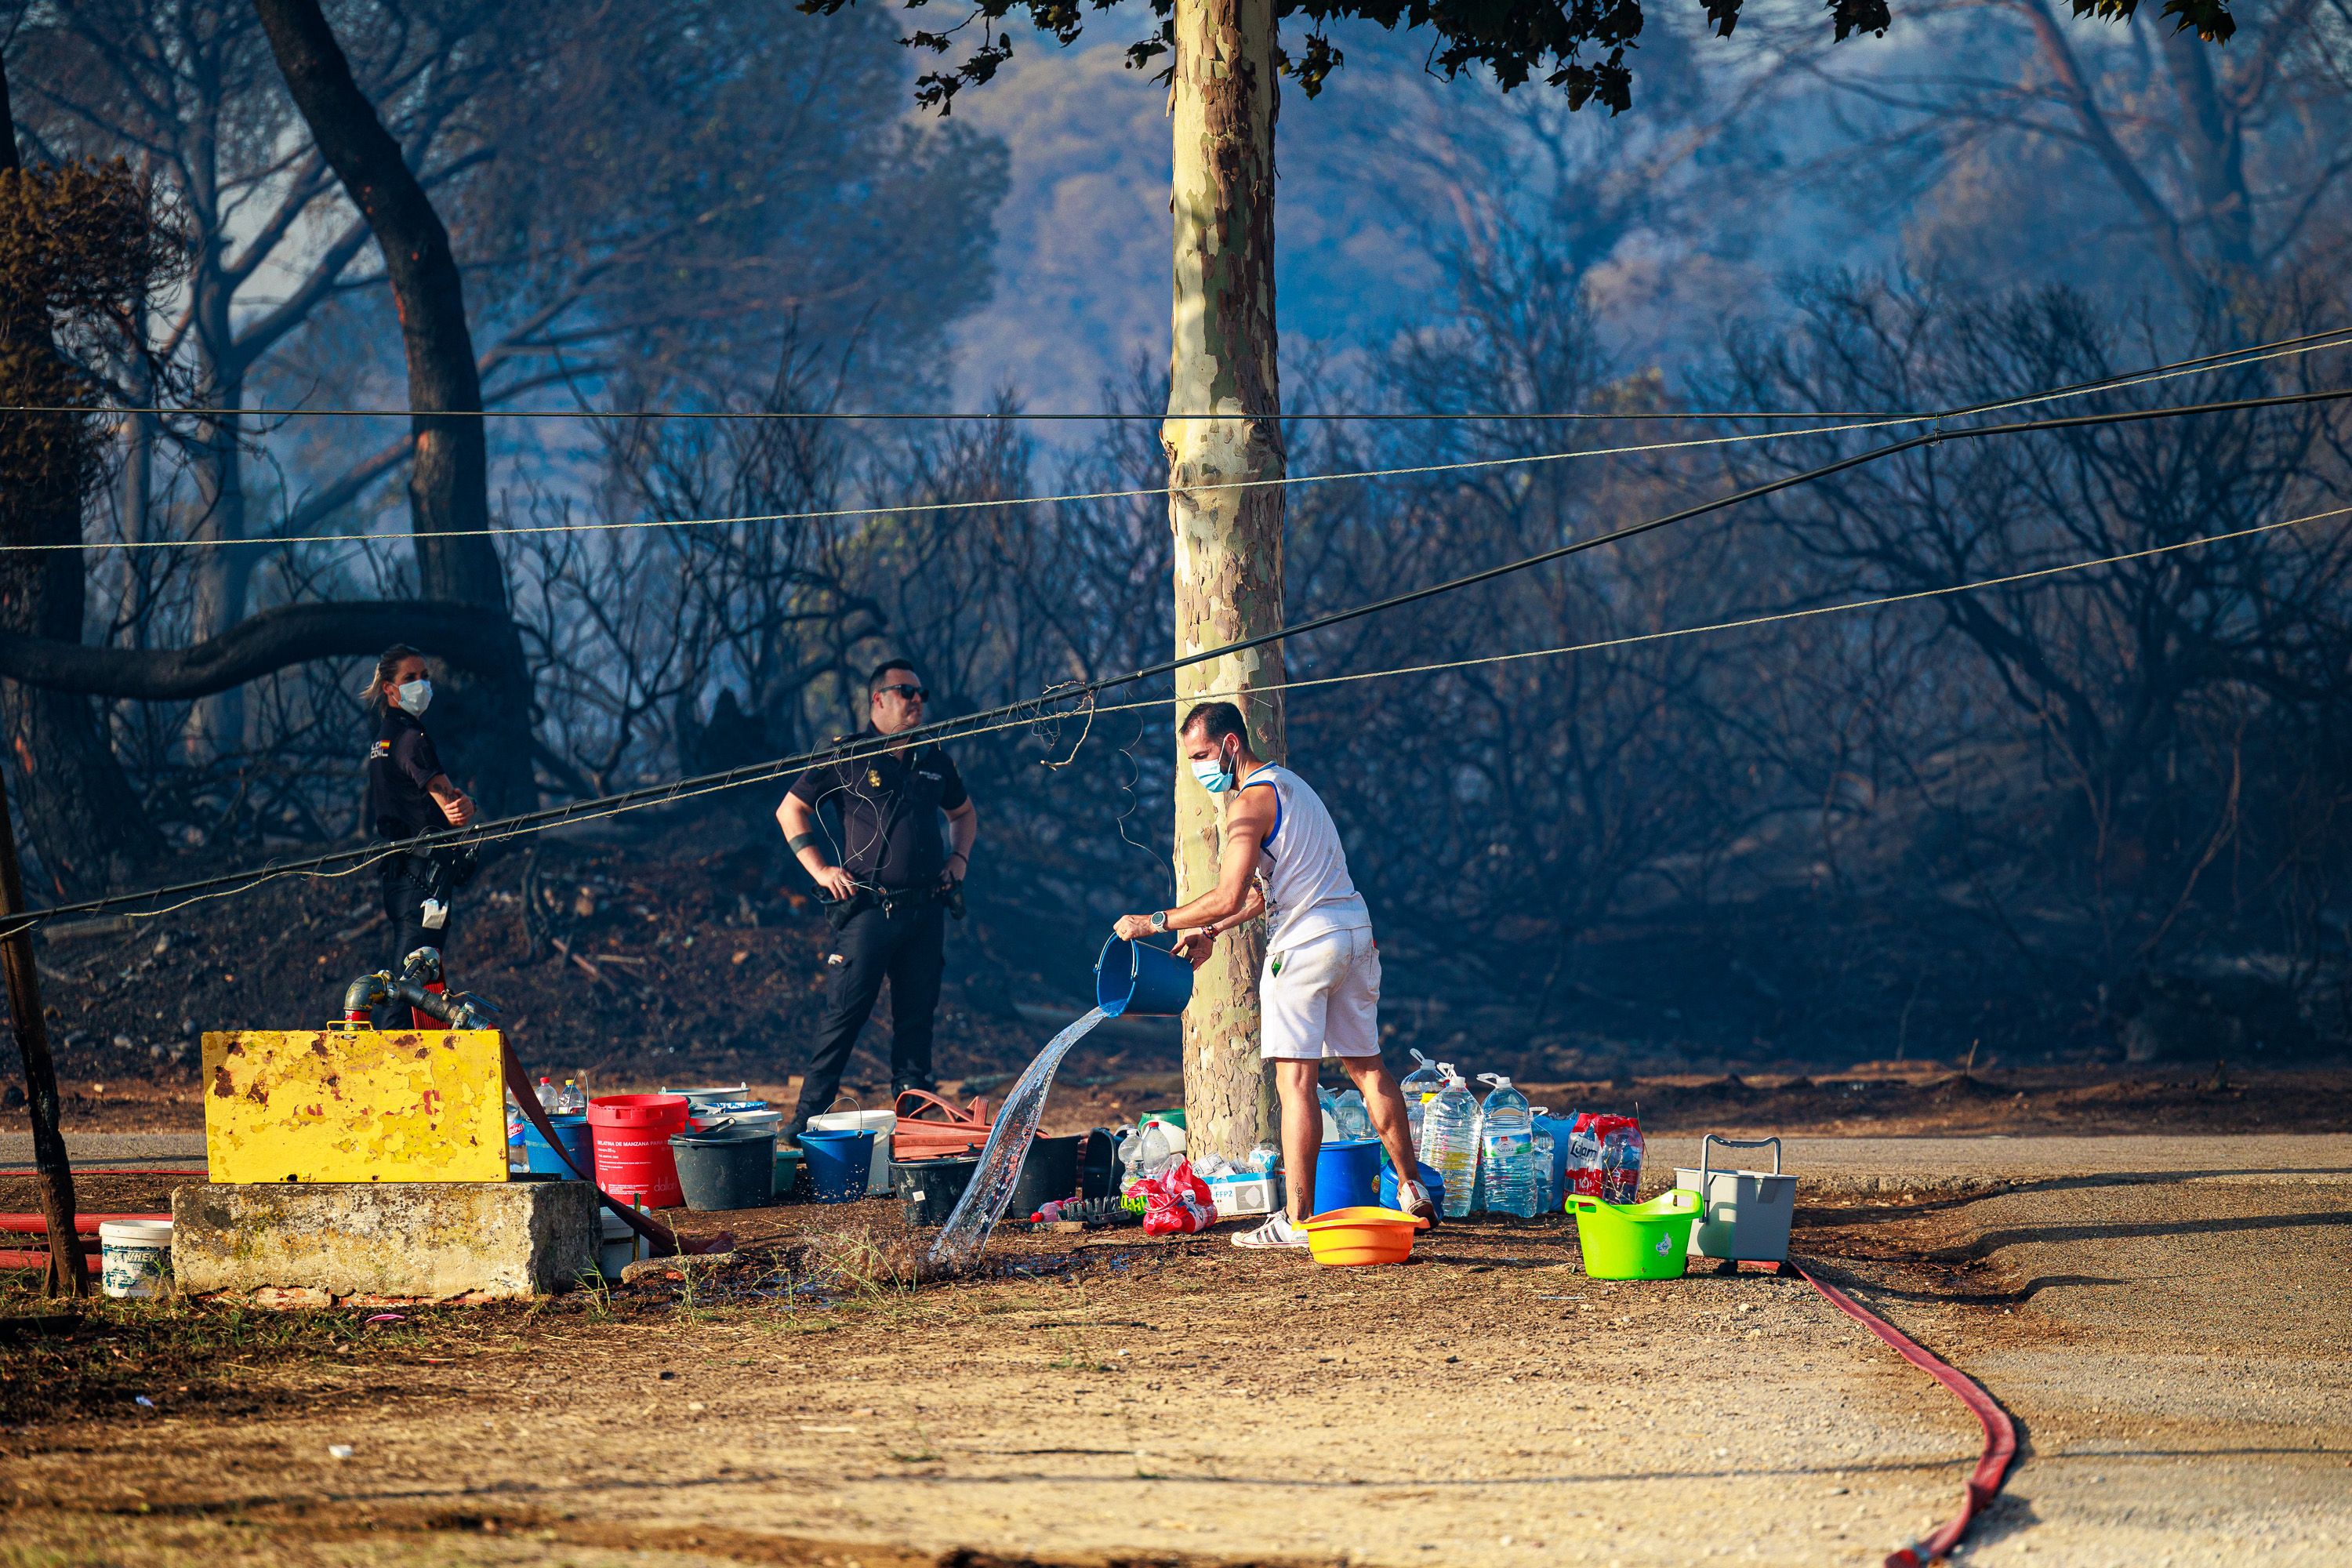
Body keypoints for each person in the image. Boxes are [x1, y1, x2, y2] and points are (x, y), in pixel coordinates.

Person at [1113, 700, 1434, 1249]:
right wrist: (1211, 933)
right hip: (1355, 932)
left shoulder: (1247, 805)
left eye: (1201, 756)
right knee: (1367, 1067)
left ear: (1231, 745)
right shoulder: (1294, 788)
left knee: (1295, 1084)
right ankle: (1413, 1188)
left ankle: (1297, 1219)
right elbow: (1266, 894)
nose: (1197, 769)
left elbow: (1228, 893)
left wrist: (1154, 921)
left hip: (1305, 946)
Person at [778, 659, 979, 1142]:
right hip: (869, 910)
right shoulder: (846, 755)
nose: (917, 701)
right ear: (878, 699)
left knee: (917, 1021)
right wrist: (822, 871)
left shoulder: (934, 760)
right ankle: (807, 1123)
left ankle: (913, 1122)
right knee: (842, 1017)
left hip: (926, 910)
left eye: (921, 693)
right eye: (906, 692)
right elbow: (791, 810)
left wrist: (959, 860)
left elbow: (964, 813)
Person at [362, 644, 477, 985]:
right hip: (423, 880)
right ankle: (391, 1040)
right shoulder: (412, 740)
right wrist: (468, 804)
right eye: (410, 678)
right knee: (412, 991)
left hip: (400, 878)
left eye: (425, 676)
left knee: (417, 987)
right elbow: (454, 811)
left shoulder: (384, 738)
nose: (421, 684)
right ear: (389, 688)